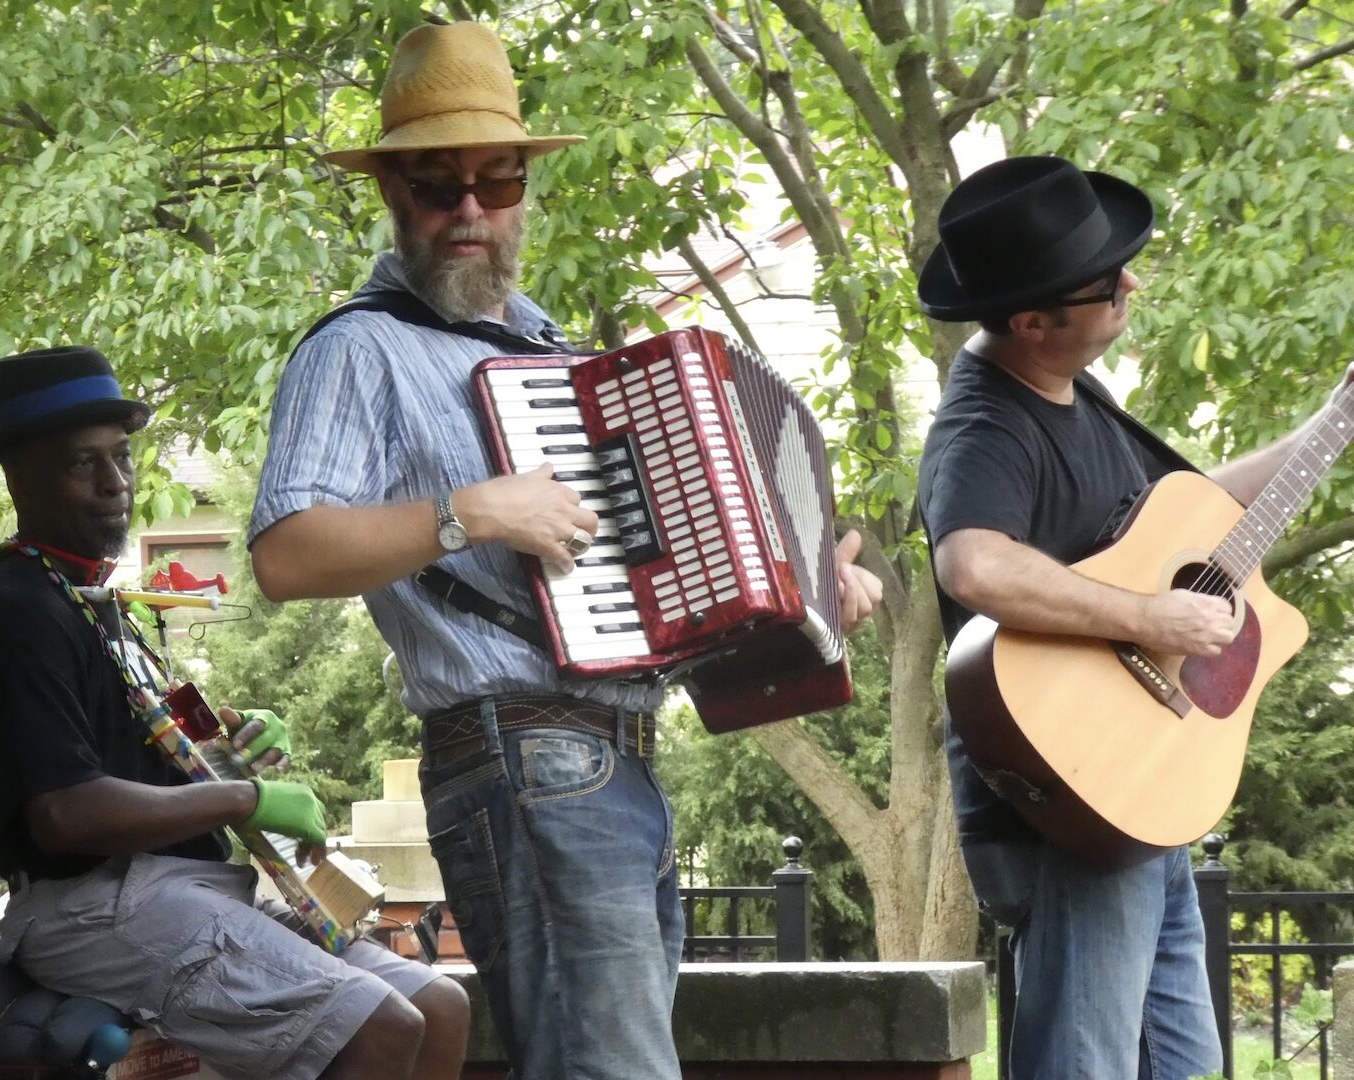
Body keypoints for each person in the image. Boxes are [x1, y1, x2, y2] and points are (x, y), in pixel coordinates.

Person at [248, 21, 883, 1079]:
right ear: (389, 194)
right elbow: (285, 555)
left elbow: (670, 584)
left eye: (493, 185)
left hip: (617, 757)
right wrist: (468, 514)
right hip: (522, 755)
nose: (467, 209)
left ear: (521, 199)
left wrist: (811, 594)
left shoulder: (554, 356)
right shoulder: (358, 347)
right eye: (435, 184)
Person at [916, 155, 1354, 1080]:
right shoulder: (985, 423)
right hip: (1065, 794)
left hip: (1139, 789)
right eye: (1108, 285)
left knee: (1182, 1062)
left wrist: (1333, 419)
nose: (1132, 285)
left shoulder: (1081, 396)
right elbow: (974, 562)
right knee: (1087, 1063)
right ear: (1035, 321)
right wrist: (1149, 616)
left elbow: (1202, 506)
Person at [0, 346, 469, 1080]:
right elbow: (63, 814)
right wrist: (243, 797)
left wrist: (225, 749)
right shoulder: (18, 612)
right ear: (18, 476)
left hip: (178, 887)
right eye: (81, 463)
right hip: (89, 906)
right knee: (380, 1025)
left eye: (122, 456)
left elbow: (139, 763)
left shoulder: (95, 607)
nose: (115, 483)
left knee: (440, 1004)